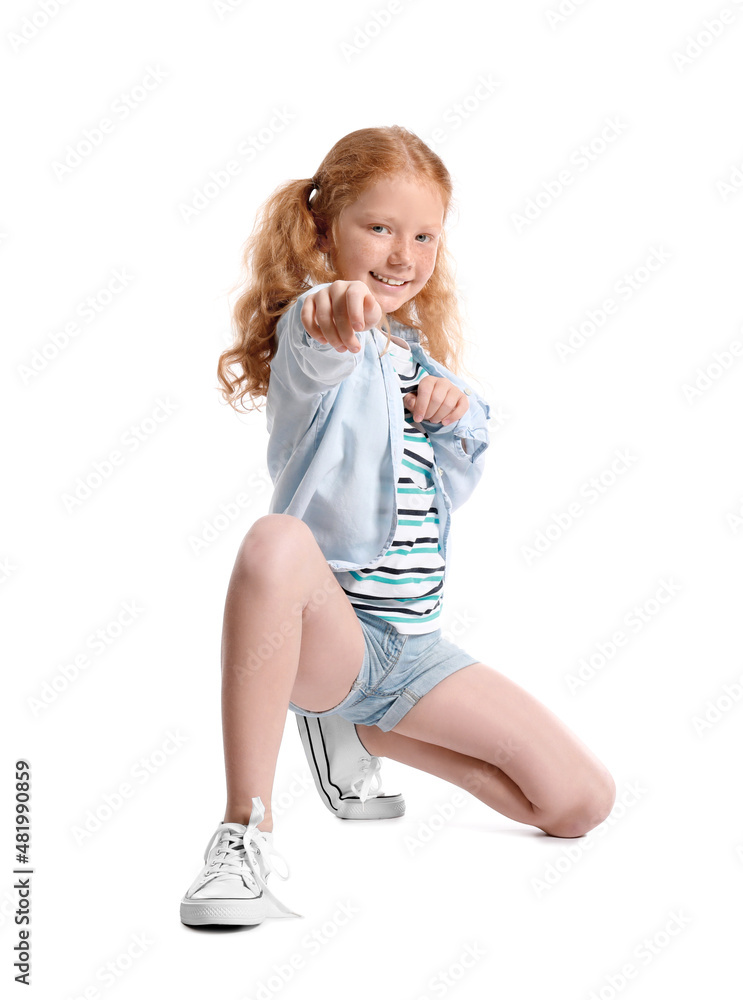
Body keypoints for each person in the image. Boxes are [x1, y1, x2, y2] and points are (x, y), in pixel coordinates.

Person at [180, 125, 616, 928]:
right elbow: (322, 329)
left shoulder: (415, 355)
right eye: (378, 228)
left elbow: (450, 473)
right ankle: (244, 833)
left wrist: (454, 412)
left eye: (423, 236)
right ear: (322, 232)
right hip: (331, 638)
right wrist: (337, 305)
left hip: (412, 652)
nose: (401, 254)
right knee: (276, 540)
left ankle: (360, 731)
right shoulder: (320, 334)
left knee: (579, 804)